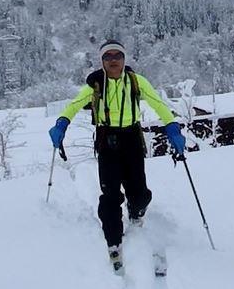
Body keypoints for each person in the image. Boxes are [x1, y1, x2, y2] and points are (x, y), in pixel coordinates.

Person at [49, 39, 186, 271]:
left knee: (139, 192)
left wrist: (172, 126)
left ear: (124, 59)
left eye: (117, 56)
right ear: (102, 61)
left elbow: (159, 104)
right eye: (108, 57)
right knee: (110, 193)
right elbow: (73, 105)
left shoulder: (136, 82)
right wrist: (61, 123)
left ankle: (136, 211)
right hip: (107, 140)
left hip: (132, 138)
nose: (113, 60)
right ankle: (113, 239)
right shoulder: (96, 85)